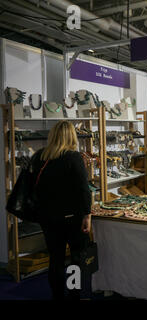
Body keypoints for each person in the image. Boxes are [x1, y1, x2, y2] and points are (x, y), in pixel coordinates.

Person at [30, 120, 92, 300]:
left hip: (48, 218)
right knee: (75, 259)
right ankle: (74, 296)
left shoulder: (40, 157)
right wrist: (87, 216)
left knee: (55, 259)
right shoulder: (73, 157)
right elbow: (83, 189)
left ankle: (57, 296)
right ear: (71, 135)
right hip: (73, 217)